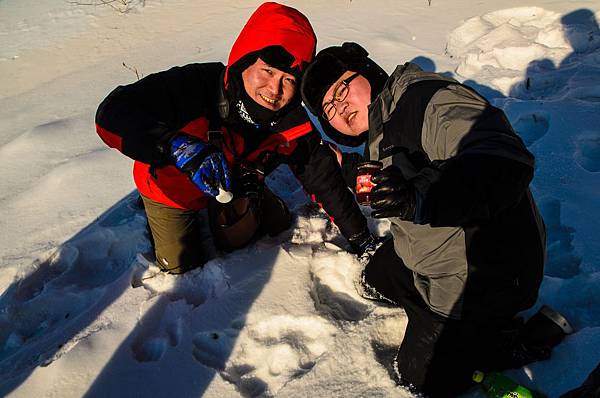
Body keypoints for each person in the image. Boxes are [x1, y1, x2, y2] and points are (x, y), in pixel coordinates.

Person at [301, 42, 572, 396]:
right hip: (436, 258)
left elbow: (503, 160)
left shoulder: (427, 99)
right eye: (330, 109)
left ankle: (503, 341)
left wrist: (418, 195)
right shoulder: (383, 124)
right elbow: (396, 170)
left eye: (342, 89)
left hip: (484, 277)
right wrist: (347, 166)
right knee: (374, 276)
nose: (341, 107)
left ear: (366, 72)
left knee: (421, 377)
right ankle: (443, 326)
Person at [95, 4, 374, 275]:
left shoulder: (291, 120)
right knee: (183, 269)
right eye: (268, 71)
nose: (274, 89)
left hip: (231, 184)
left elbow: (323, 179)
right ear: (246, 58)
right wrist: (172, 144)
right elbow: (112, 112)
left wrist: (361, 238)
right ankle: (155, 213)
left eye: (289, 80)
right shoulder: (194, 86)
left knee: (275, 223)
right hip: (169, 189)